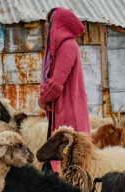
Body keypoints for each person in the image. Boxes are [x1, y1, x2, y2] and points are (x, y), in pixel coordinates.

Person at [38, 7, 91, 172]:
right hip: (60, 112)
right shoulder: (59, 46)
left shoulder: (67, 46)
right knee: (54, 163)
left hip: (69, 115)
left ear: (56, 23)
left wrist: (42, 100)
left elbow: (56, 83)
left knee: (65, 164)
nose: (46, 25)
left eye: (48, 21)